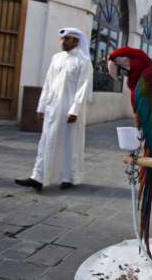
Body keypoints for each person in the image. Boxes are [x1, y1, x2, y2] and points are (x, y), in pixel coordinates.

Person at [15, 28, 93, 192]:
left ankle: (69, 177)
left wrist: (74, 110)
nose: (62, 42)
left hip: (70, 110)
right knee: (46, 141)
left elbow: (82, 88)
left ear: (76, 41)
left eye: (67, 39)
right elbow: (48, 83)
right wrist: (41, 106)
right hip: (53, 107)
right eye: (62, 39)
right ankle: (38, 176)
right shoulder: (56, 58)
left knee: (69, 142)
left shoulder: (83, 61)